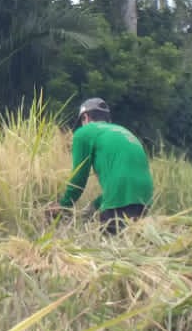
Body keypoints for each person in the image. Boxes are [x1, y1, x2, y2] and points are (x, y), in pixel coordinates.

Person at [50, 98, 154, 232]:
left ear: (85, 117)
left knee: (109, 239)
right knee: (132, 237)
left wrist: (63, 205)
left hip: (120, 195)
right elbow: (124, 181)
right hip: (146, 197)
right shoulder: (123, 131)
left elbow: (79, 178)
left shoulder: (84, 133)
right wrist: (93, 207)